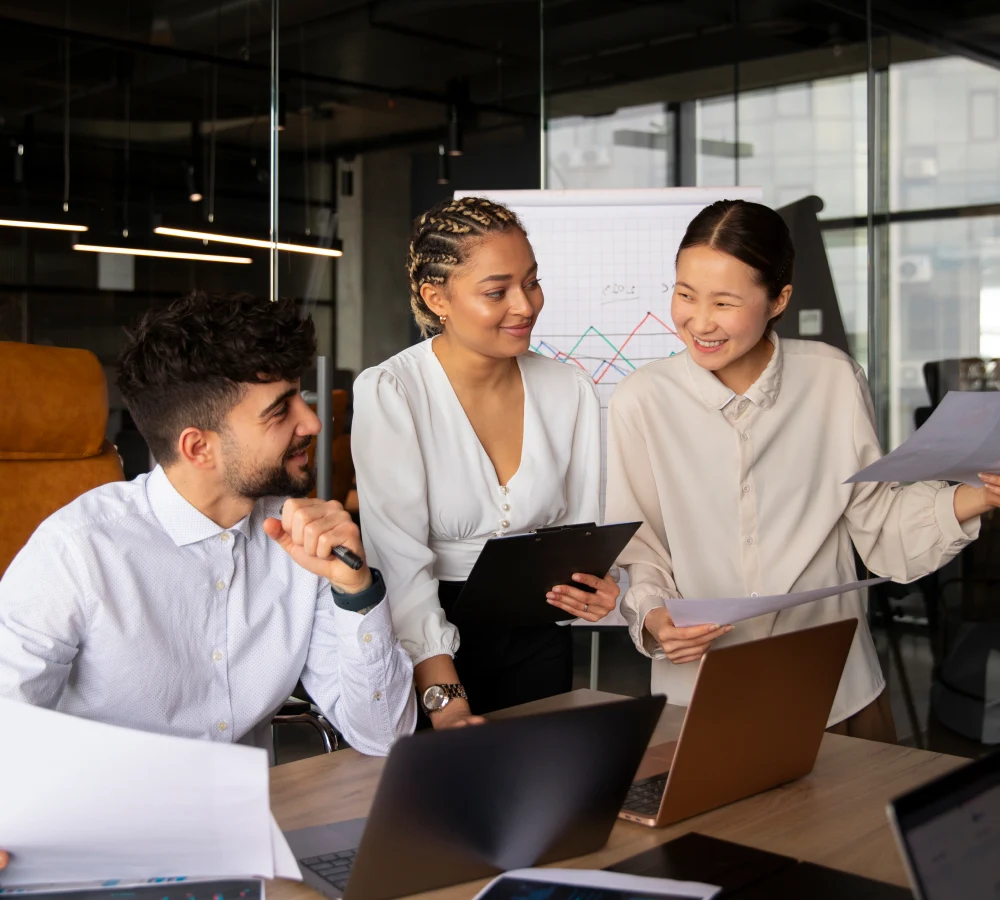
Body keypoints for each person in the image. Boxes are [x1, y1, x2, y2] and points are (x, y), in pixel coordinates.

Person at [606, 199, 1000, 742]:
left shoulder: (833, 378)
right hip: (703, 691)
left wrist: (981, 495)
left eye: (724, 302)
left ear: (778, 300)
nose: (699, 322)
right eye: (684, 295)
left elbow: (878, 519)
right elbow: (639, 547)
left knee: (854, 826)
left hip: (835, 686)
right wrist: (655, 619)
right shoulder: (641, 399)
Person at [0, 292, 416, 757]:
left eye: (301, 397)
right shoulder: (76, 552)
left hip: (256, 815)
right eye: (281, 410)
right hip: (103, 820)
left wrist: (355, 588)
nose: (313, 423)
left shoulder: (301, 540)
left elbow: (385, 736)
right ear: (199, 448)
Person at [351, 196, 620, 729]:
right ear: (437, 298)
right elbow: (398, 560)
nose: (525, 305)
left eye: (532, 282)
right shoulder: (393, 391)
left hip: (539, 638)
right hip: (430, 647)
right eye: (497, 292)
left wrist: (594, 587)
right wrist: (445, 697)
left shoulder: (569, 389)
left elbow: (582, 533)